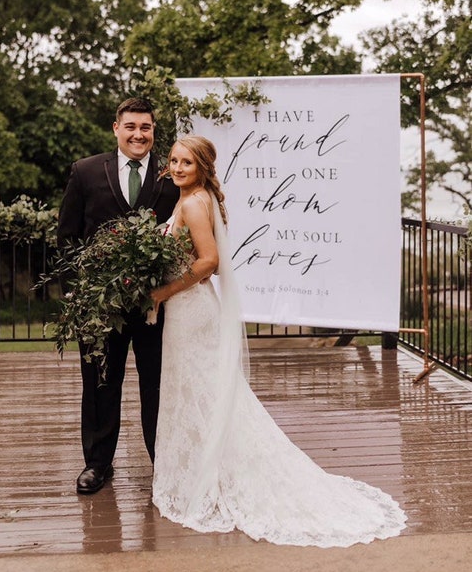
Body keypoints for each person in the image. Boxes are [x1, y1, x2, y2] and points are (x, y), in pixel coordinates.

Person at [150, 136, 407, 546]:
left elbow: (210, 261)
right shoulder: (191, 199)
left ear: (202, 168)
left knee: (204, 392)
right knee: (199, 393)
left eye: (187, 163)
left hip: (191, 310)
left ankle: (214, 476)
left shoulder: (195, 203)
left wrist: (163, 292)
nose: (178, 168)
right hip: (188, 309)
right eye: (174, 161)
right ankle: (206, 468)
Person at [57, 97, 179, 495]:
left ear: (153, 131)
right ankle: (97, 464)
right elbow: (67, 237)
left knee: (157, 382)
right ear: (116, 128)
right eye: (131, 127)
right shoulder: (86, 171)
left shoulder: (172, 175)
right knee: (99, 382)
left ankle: (164, 461)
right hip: (99, 306)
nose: (138, 134)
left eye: (145, 127)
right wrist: (79, 290)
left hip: (156, 304)